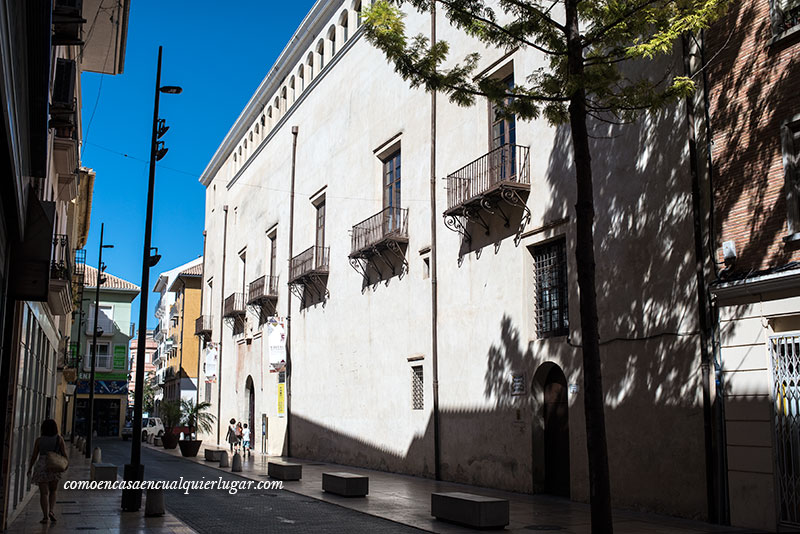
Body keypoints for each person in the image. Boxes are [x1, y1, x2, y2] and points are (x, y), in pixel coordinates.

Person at [27, 419, 67, 524]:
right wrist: (65, 466)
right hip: (54, 466)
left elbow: (34, 456)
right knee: (53, 491)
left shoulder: (39, 440)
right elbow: (64, 455)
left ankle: (45, 517)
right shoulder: (59, 439)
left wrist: (30, 468)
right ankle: (51, 511)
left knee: (43, 493)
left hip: (42, 467)